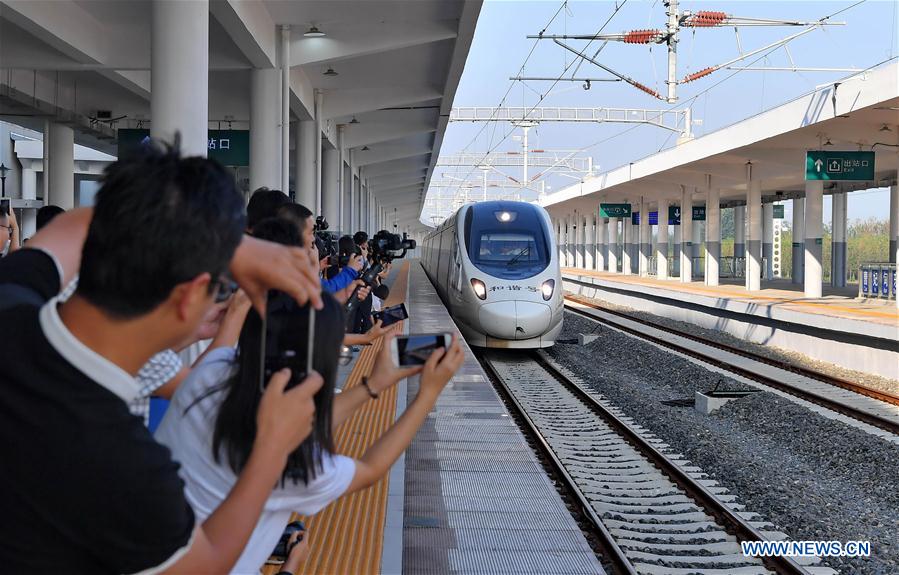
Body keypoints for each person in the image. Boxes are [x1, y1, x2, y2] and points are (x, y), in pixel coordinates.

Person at [0, 139, 326, 574]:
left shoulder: (12, 301)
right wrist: (272, 448)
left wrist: (227, 247)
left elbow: (80, 227)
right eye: (220, 287)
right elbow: (205, 565)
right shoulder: (121, 464)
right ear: (189, 296)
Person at [155, 291, 465, 575]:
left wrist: (373, 385)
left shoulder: (211, 370)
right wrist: (428, 395)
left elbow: (301, 426)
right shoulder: (295, 469)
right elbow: (370, 470)